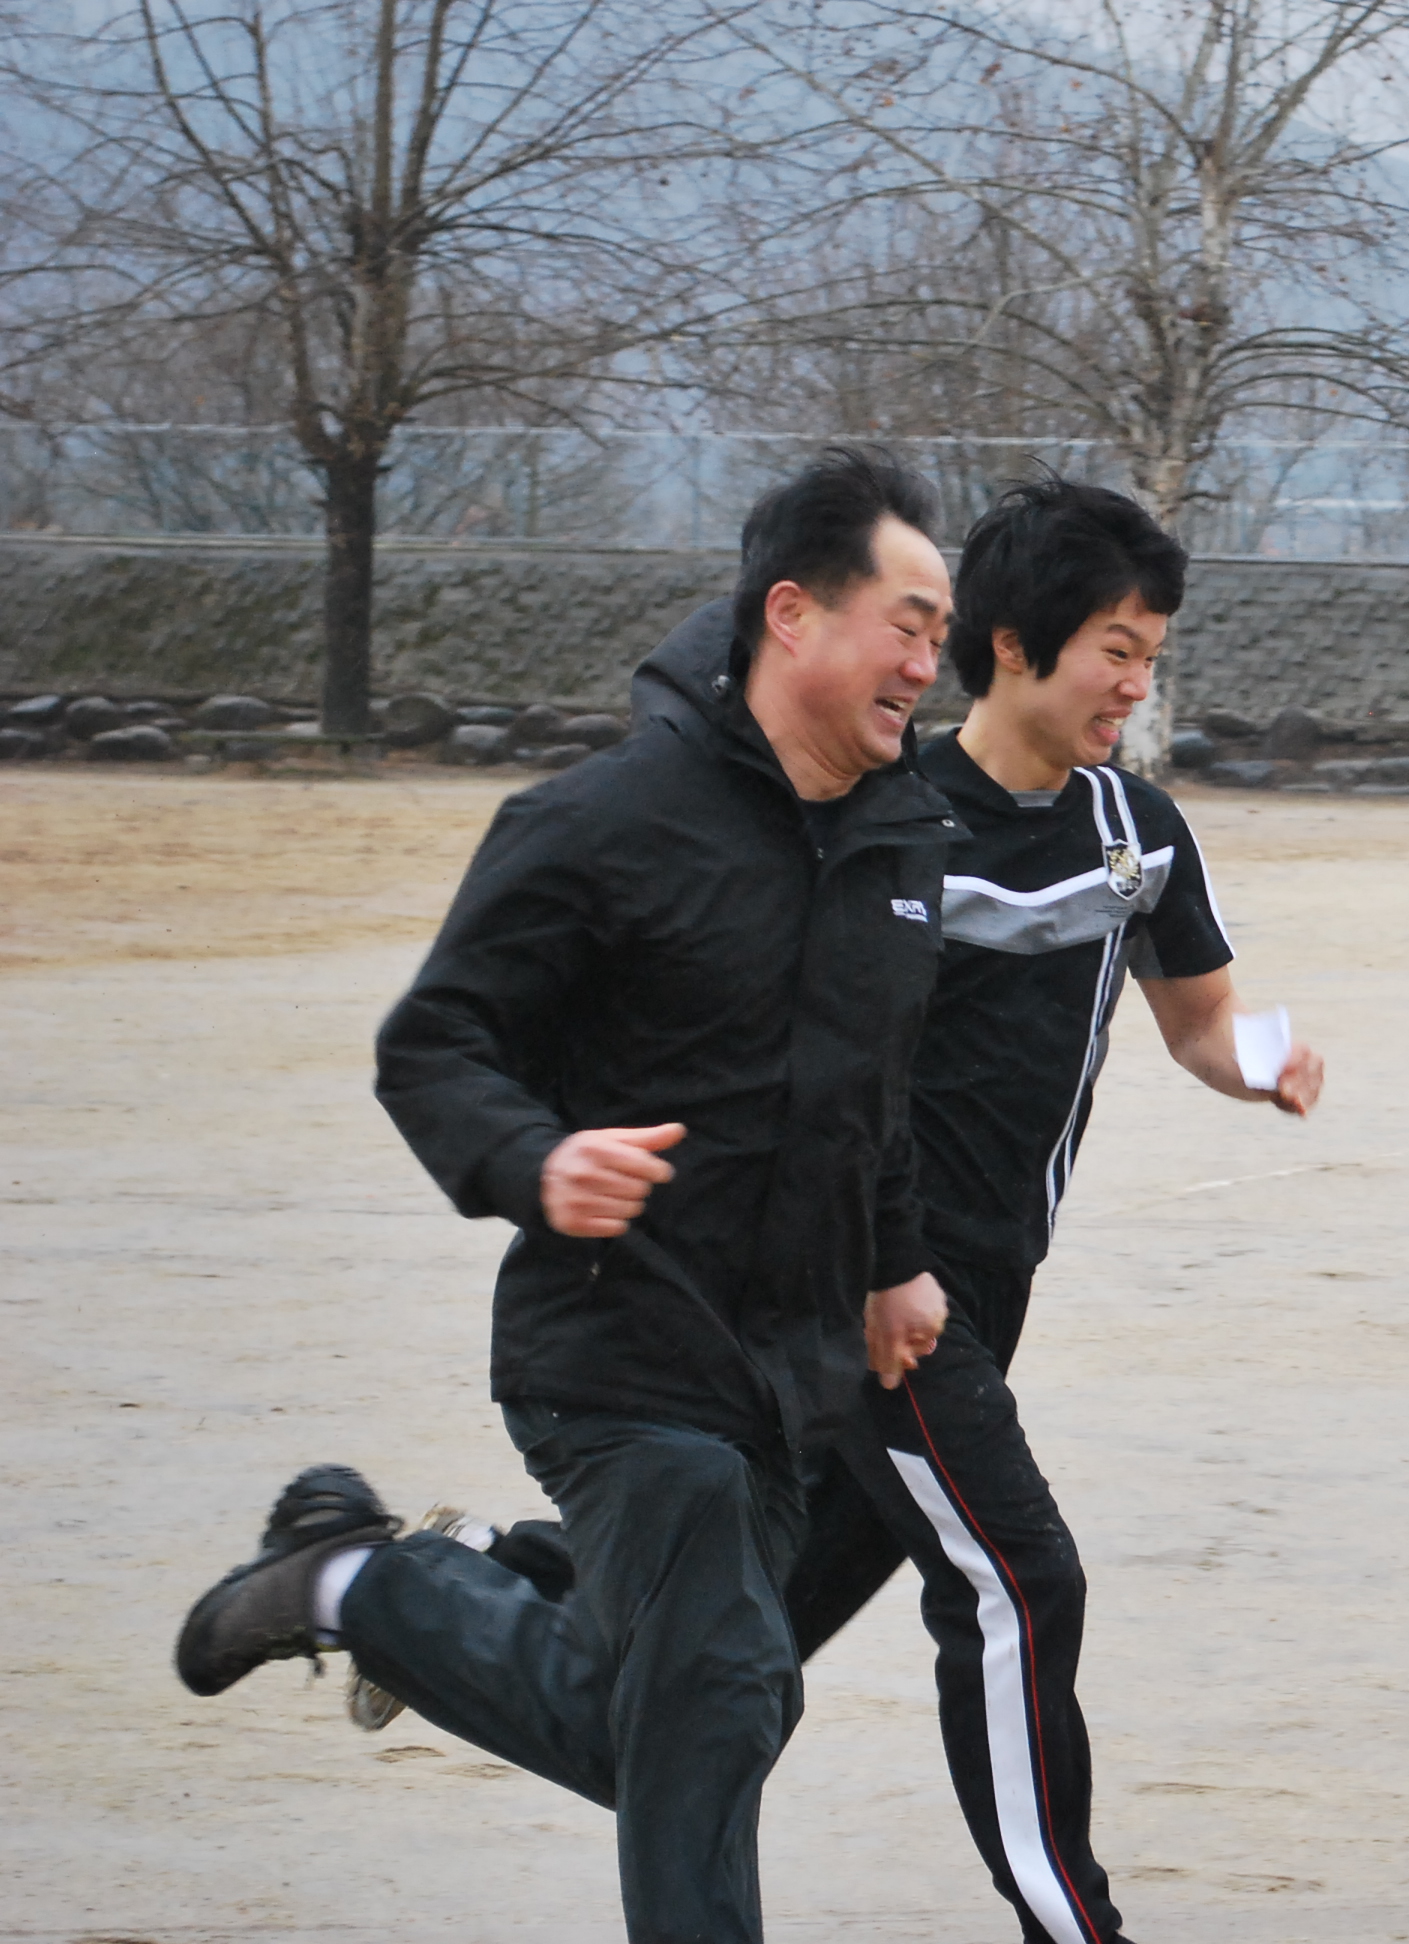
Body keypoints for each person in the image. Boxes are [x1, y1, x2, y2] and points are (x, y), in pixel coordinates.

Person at [363, 477, 1325, 1944]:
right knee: (1017, 1584)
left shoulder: (1133, 833)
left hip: (963, 1296)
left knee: (702, 1699)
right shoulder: (886, 820)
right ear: (1016, 647)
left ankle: (429, 1586)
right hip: (867, 1299)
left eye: (1152, 656)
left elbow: (1197, 1022)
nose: (1137, 683)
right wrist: (863, 1255)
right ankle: (1077, 1926)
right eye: (1117, 651)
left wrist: (1261, 1062)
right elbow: (783, 1070)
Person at [173, 447, 964, 1944]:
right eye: (908, 626)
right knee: (715, 1695)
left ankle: (365, 1585)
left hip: (789, 1366)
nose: (931, 665)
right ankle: (381, 1588)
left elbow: (875, 1084)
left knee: (674, 1721)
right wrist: (537, 1161)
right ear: (793, 614)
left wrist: (895, 1260)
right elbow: (436, 1045)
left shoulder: (905, 837)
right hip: (616, 1344)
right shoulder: (602, 821)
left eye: (941, 635)